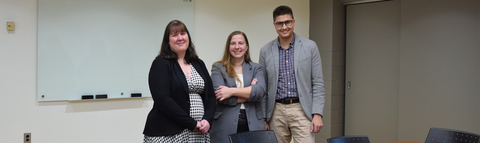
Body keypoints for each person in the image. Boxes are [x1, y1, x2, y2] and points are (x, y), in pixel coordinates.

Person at [259, 5, 325, 143]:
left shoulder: (310, 46)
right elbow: (263, 88)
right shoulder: (265, 51)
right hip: (275, 111)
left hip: (302, 109)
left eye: (287, 22)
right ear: (274, 25)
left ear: (293, 22)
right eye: (279, 24)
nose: (284, 27)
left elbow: (318, 83)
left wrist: (317, 114)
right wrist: (263, 118)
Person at [143, 20, 216, 143]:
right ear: (168, 41)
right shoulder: (161, 63)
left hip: (199, 132)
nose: (180, 38)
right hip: (169, 132)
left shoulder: (199, 63)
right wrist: (191, 123)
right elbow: (163, 99)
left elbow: (210, 96)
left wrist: (207, 120)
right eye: (174, 35)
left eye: (183, 33)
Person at [209, 31, 267, 143]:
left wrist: (230, 91)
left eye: (241, 43)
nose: (237, 47)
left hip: (253, 123)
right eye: (233, 43)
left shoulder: (256, 68)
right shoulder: (218, 67)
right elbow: (221, 96)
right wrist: (250, 92)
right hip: (225, 123)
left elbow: (259, 92)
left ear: (246, 47)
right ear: (228, 47)